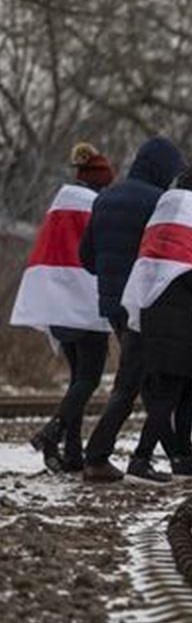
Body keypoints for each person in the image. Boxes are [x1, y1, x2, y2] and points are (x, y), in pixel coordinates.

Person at [78, 136, 186, 482]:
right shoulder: (159, 203)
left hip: (113, 305)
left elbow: (86, 257)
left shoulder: (106, 197)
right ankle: (96, 457)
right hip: (144, 305)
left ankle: (175, 452)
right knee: (130, 384)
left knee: (146, 377)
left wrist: (110, 279)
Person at [121, 163, 192, 482]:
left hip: (159, 322)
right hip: (179, 326)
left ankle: (181, 457)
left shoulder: (163, 227)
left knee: (185, 390)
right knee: (169, 396)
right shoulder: (190, 240)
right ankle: (140, 458)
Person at [12, 143, 115, 473]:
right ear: (100, 182)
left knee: (77, 380)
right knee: (89, 378)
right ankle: (52, 432)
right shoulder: (97, 207)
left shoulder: (58, 206)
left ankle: (72, 452)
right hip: (86, 306)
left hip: (58, 304)